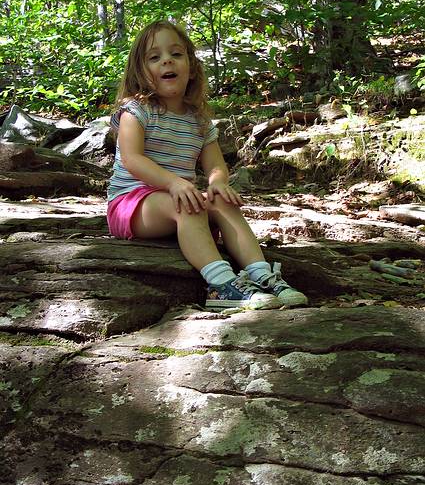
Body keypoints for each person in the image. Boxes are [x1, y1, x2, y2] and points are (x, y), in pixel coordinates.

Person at [107, 20, 308, 310]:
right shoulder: (135, 111)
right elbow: (132, 159)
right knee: (187, 205)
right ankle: (221, 285)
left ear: (190, 66)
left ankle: (263, 276)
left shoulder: (198, 120)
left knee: (221, 203)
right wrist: (174, 182)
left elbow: (215, 164)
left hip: (175, 197)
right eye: (154, 57)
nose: (167, 60)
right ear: (141, 71)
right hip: (132, 204)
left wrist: (217, 184)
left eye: (176, 54)